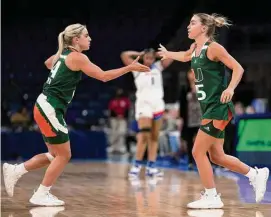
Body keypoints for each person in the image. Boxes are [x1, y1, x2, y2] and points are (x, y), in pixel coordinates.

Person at [2, 23, 150, 206]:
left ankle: (15, 171)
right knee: (64, 155)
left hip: (44, 105)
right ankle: (41, 193)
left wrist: (61, 63)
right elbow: (104, 76)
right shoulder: (78, 57)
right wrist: (129, 68)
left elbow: (48, 63)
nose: (90, 39)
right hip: (50, 108)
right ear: (76, 39)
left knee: (54, 155)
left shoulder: (64, 55)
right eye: (86, 36)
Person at [158, 13, 269, 208]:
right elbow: (185, 56)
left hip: (218, 107)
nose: (188, 26)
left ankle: (212, 196)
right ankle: (256, 174)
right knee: (217, 156)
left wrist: (230, 88)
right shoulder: (195, 48)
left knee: (197, 151)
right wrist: (169, 54)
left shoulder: (214, 48)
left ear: (203, 28)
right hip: (208, 108)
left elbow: (238, 68)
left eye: (192, 23)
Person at [120, 48, 173, 177]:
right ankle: (136, 165)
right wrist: (139, 54)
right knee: (144, 135)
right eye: (147, 57)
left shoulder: (158, 67)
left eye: (151, 58)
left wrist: (159, 54)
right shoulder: (137, 68)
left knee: (154, 137)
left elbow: (171, 57)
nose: (149, 60)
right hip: (144, 105)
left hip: (158, 105)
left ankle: (151, 166)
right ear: (144, 57)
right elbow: (124, 54)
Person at [179, 69, 201, 170]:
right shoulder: (184, 88)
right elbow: (182, 104)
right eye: (191, 72)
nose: (193, 75)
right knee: (189, 141)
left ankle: (204, 160)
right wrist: (181, 118)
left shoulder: (203, 86)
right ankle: (190, 161)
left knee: (201, 140)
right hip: (189, 118)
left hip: (201, 117)